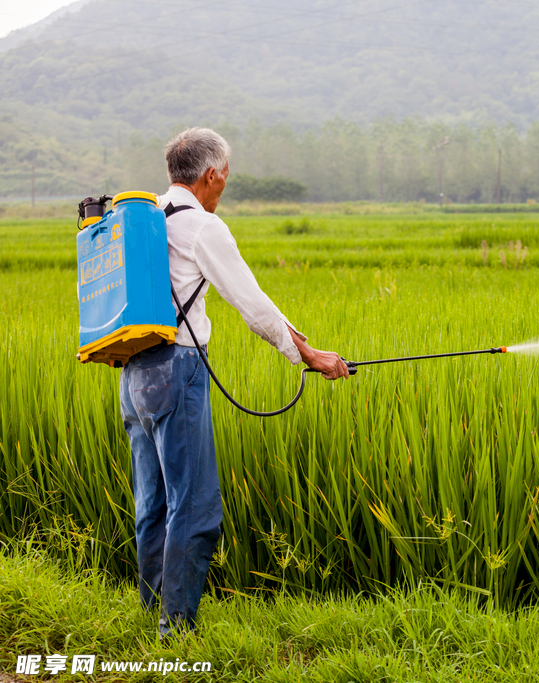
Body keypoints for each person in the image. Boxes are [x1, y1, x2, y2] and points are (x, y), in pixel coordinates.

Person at [119, 127, 348, 638]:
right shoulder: (202, 228)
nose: (225, 184)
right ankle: (175, 631)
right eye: (226, 176)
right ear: (212, 174)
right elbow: (253, 304)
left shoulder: (147, 217)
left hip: (134, 374)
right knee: (196, 507)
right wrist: (306, 354)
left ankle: (152, 611)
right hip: (177, 370)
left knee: (152, 502)